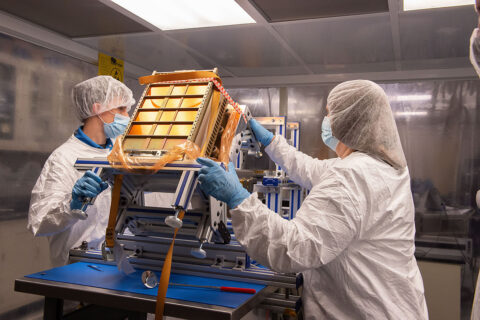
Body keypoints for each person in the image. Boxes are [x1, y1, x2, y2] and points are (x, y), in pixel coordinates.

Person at [197, 80, 428, 319]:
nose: (326, 122)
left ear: (348, 122)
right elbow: (312, 170)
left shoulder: (350, 178)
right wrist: (272, 143)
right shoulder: (382, 167)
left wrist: (239, 199)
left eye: (329, 115)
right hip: (397, 305)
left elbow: (292, 248)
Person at [27, 75, 135, 266]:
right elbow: (39, 222)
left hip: (118, 265)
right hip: (77, 268)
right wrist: (72, 204)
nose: (127, 116)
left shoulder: (121, 155)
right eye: (121, 109)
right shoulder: (63, 158)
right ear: (97, 108)